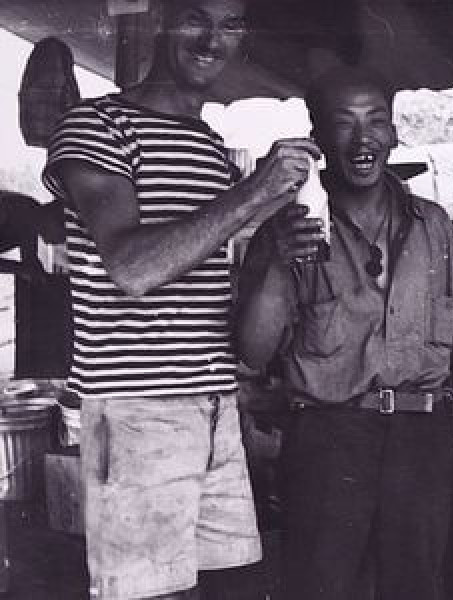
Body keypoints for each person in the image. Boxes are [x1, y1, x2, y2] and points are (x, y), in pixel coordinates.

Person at [41, 0, 319, 598]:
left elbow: (227, 320)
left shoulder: (211, 148)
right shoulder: (96, 126)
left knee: (221, 589)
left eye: (231, 24)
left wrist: (272, 247)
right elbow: (132, 268)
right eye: (196, 18)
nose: (212, 40)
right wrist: (256, 191)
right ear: (161, 21)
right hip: (138, 409)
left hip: (215, 404)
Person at [235, 66, 453, 600]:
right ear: (319, 138)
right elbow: (252, 351)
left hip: (421, 437)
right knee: (322, 590)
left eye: (376, 121)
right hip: (328, 439)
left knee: (416, 588)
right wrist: (275, 260)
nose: (362, 138)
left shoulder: (434, 224)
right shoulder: (288, 228)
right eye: (344, 123)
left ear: (393, 132)